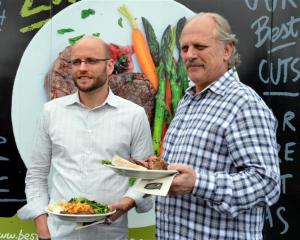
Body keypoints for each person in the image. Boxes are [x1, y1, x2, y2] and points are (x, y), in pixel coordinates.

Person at [155, 12, 281, 240]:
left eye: (200, 46)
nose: (190, 55)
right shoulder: (188, 100)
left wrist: (199, 183)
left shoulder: (244, 104)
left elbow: (267, 184)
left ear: (227, 50)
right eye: (184, 48)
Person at [17, 36, 153, 240]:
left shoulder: (134, 115)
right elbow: (36, 174)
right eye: (76, 62)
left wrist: (129, 201)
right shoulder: (51, 111)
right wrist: (41, 221)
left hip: (110, 234)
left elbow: (148, 177)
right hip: (58, 233)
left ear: (109, 66)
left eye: (91, 61)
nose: (82, 68)